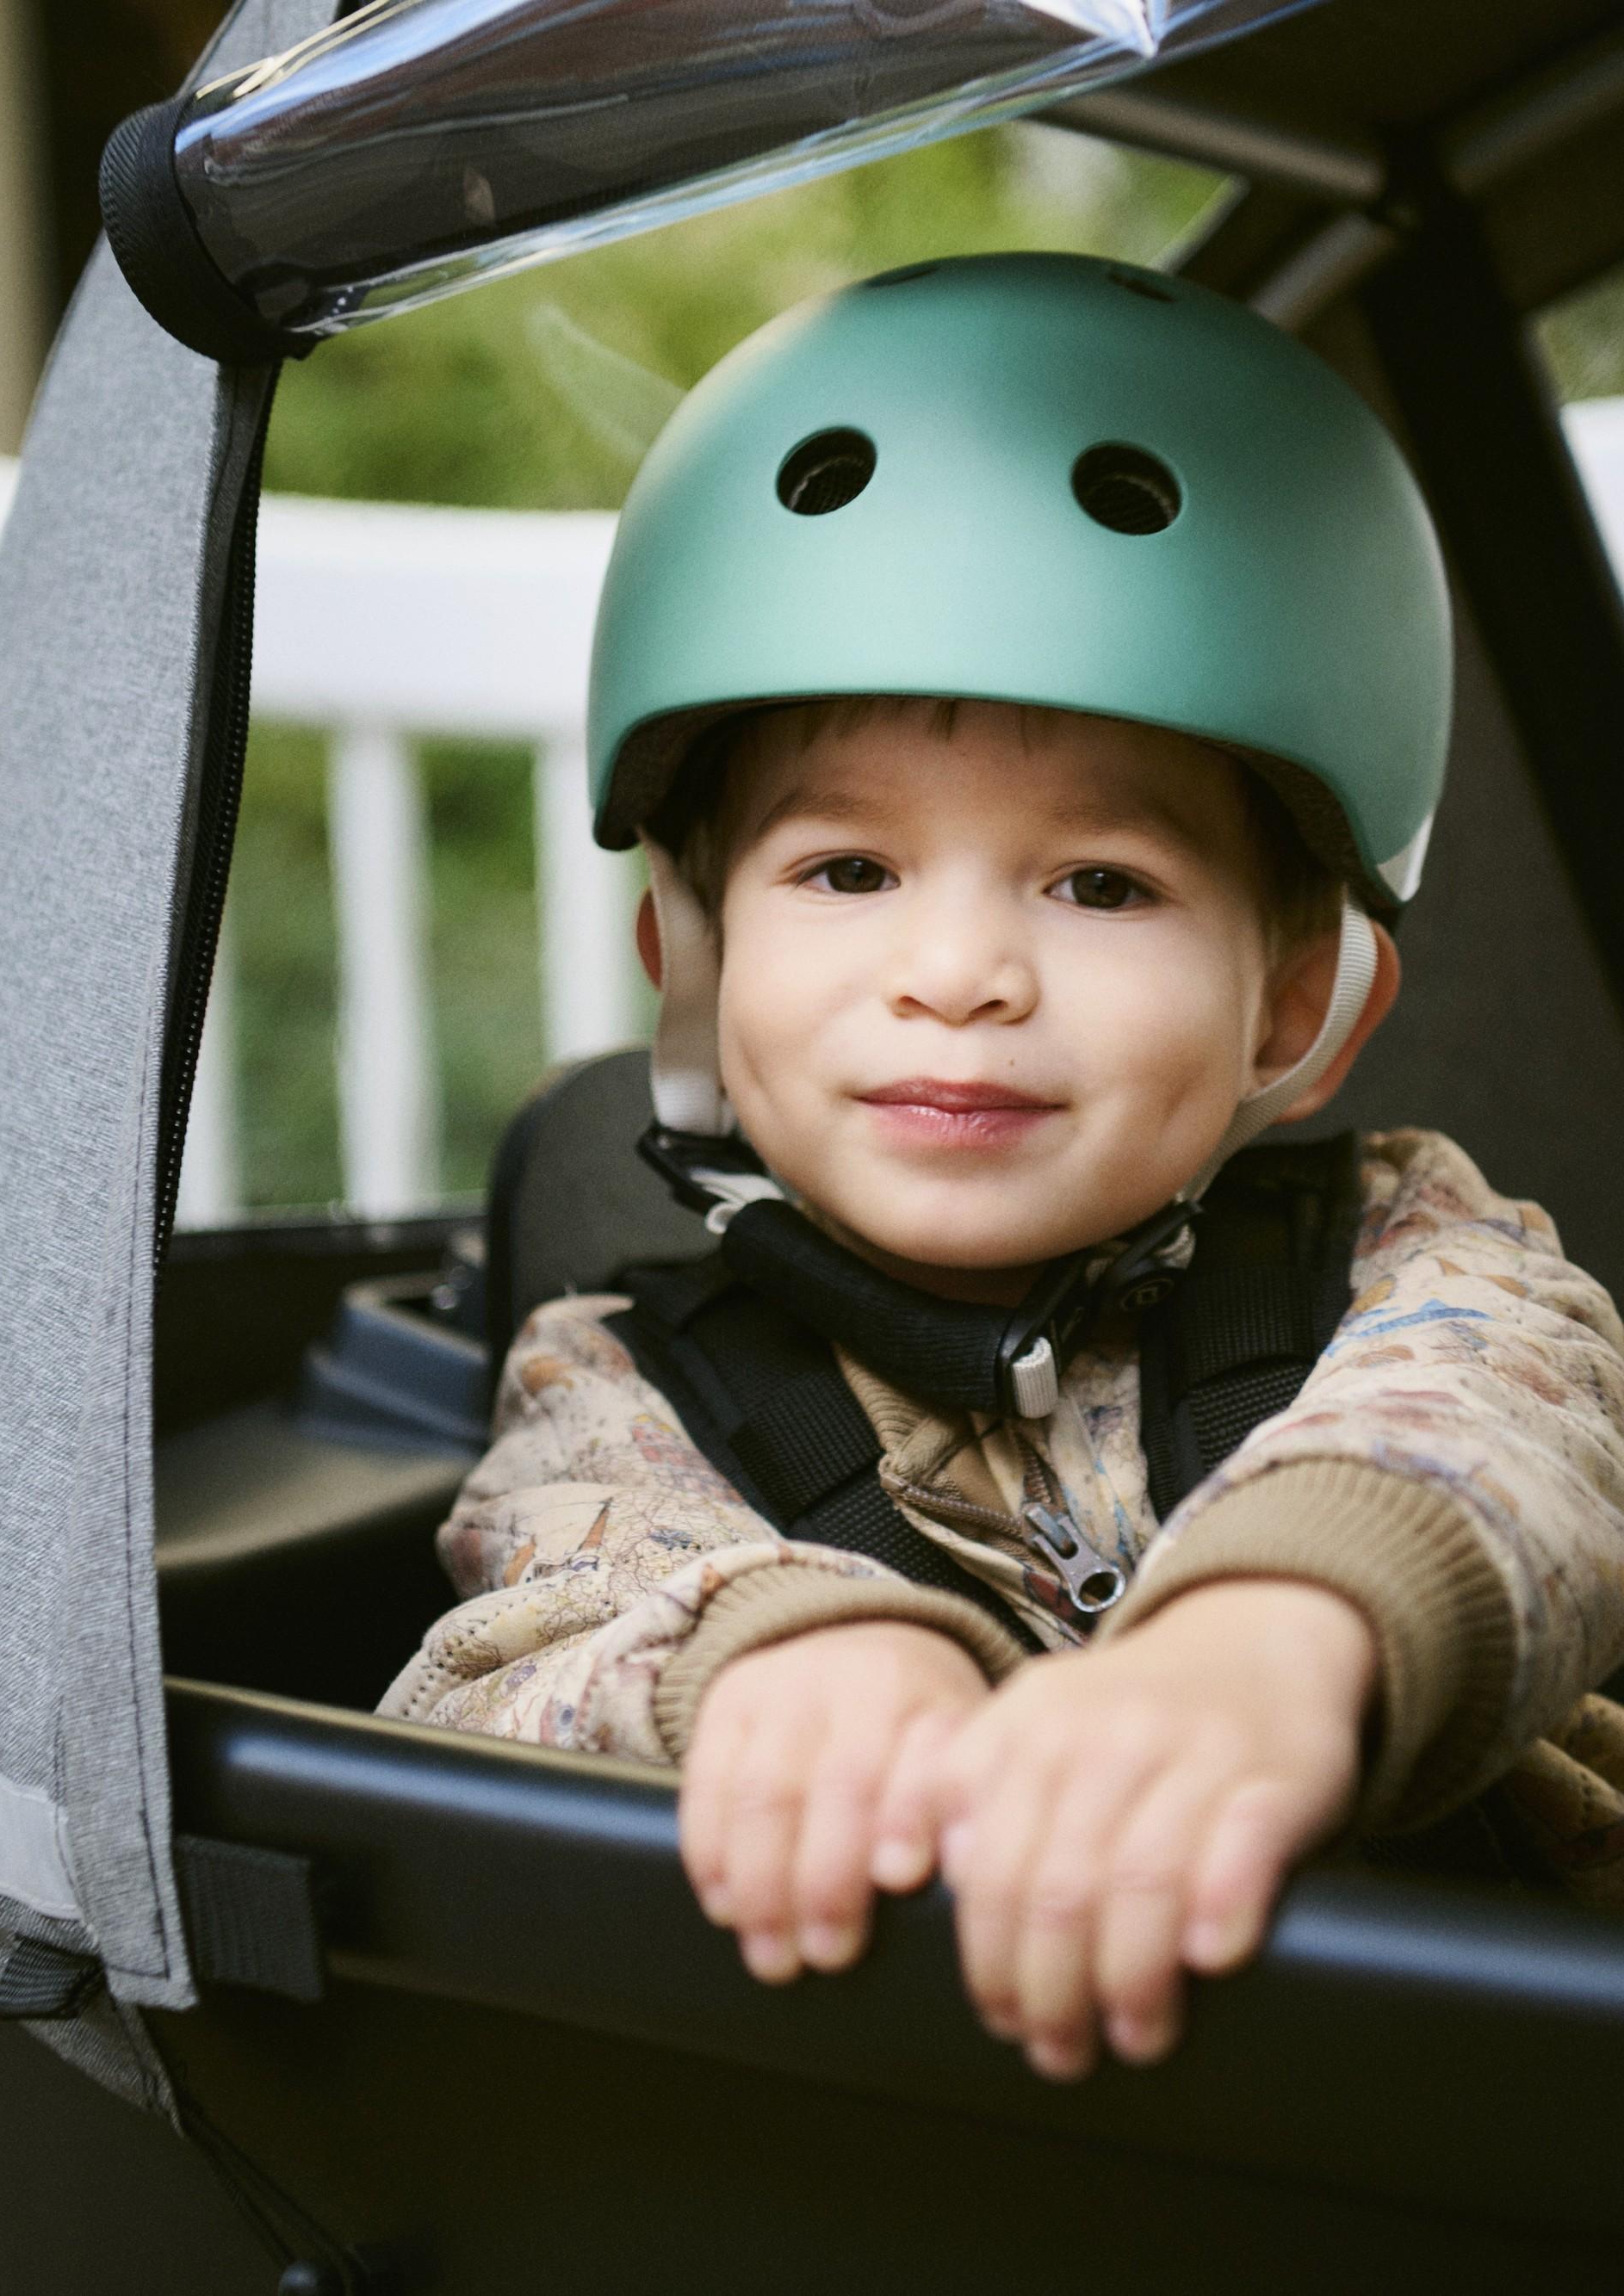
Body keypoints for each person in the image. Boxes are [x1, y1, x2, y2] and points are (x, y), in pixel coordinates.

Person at [380, 253, 1624, 2080]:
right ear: (694, 964)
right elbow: (503, 1663)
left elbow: (1513, 1448)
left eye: (1101, 883)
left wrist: (1279, 1635)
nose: (959, 973)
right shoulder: (615, 1380)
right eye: (849, 871)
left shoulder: (1418, 1250)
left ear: (1296, 1005)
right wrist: (769, 1656)